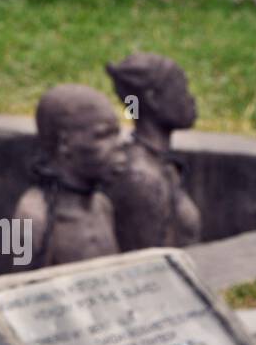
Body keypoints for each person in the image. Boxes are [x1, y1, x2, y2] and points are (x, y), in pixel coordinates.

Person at [14, 84, 123, 267]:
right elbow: (21, 291)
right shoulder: (35, 218)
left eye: (116, 135)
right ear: (65, 143)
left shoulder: (102, 206)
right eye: (102, 136)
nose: (118, 146)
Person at [105, 53, 202, 250]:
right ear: (153, 99)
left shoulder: (161, 164)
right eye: (182, 89)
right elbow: (150, 268)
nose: (190, 98)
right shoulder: (141, 179)